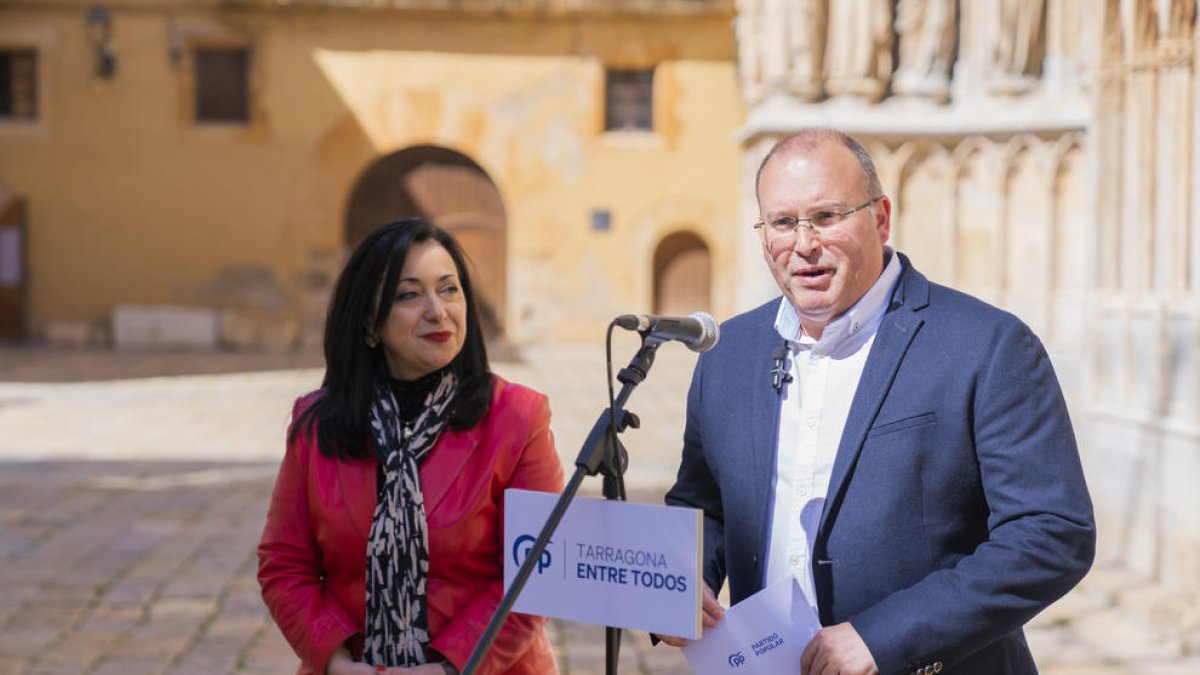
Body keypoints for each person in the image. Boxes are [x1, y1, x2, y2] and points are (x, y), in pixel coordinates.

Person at [660, 129, 1095, 674]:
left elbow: (1052, 534)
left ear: (881, 218)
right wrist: (681, 578)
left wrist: (886, 638)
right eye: (783, 222)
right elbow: (704, 505)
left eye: (827, 216)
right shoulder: (728, 354)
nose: (804, 243)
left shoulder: (986, 346)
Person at [258, 218, 564, 675]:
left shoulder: (518, 418)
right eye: (408, 295)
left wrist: (446, 669)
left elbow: (536, 571)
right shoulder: (317, 425)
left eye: (449, 289)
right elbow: (285, 564)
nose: (437, 311)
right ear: (369, 319)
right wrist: (339, 663)